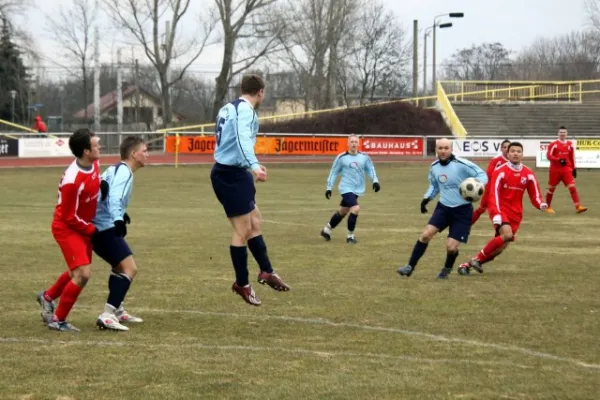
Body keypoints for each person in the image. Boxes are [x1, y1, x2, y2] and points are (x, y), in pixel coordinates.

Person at [210, 74, 290, 307]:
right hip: (230, 175)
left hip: (233, 172)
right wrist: (253, 165)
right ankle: (242, 284)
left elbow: (230, 142)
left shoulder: (228, 107)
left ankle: (266, 271)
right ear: (261, 92)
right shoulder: (245, 111)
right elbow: (242, 139)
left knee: (255, 221)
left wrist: (248, 165)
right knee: (242, 229)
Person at [36, 129, 101, 332]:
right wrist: (90, 229)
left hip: (81, 226)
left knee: (77, 271)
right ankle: (58, 320)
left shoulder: (95, 163)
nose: (99, 147)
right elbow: (68, 217)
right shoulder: (73, 181)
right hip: (67, 228)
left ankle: (47, 297)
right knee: (83, 274)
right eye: (95, 145)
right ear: (86, 151)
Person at [396, 138, 487, 279]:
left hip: (462, 211)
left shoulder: (462, 164)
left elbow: (482, 175)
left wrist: (475, 185)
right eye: (440, 148)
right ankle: (409, 267)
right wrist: (426, 198)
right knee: (426, 235)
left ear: (451, 149)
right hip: (443, 208)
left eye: (446, 148)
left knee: (451, 247)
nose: (443, 151)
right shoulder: (434, 167)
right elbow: (434, 185)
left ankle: (447, 269)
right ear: (436, 150)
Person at [458, 142, 548, 275]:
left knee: (499, 249)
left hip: (516, 214)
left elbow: (535, 195)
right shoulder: (500, 172)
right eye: (513, 151)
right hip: (500, 210)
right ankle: (476, 259)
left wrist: (540, 204)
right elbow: (493, 194)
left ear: (522, 154)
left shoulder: (528, 174)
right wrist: (496, 214)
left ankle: (467, 264)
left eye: (518, 151)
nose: (515, 153)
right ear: (508, 154)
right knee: (507, 235)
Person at [92, 136, 148, 331]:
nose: (146, 155)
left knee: (118, 267)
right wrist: (117, 219)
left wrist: (121, 214)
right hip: (104, 227)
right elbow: (114, 196)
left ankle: (117, 310)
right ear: (134, 154)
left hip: (97, 226)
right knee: (129, 268)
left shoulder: (116, 169)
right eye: (144, 151)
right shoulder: (125, 172)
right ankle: (107, 314)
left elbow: (103, 194)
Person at [320, 134, 380, 244]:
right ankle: (350, 236)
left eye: (355, 142)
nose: (354, 144)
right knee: (355, 208)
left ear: (358, 144)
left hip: (358, 189)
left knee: (343, 211)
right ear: (347, 144)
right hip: (345, 188)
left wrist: (375, 181)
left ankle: (326, 230)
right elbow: (333, 173)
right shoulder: (341, 158)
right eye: (351, 142)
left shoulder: (364, 157)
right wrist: (329, 188)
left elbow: (371, 169)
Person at [545, 126, 587, 215]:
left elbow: (572, 157)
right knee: (551, 189)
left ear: (566, 134)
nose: (562, 134)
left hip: (566, 169)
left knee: (572, 187)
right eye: (561, 132)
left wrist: (574, 168)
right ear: (558, 133)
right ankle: (548, 207)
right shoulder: (553, 144)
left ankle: (578, 206)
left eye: (564, 132)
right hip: (555, 170)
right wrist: (558, 160)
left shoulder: (570, 144)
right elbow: (549, 156)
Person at [471, 139, 511, 225]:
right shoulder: (497, 160)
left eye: (508, 147)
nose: (506, 149)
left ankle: (503, 229)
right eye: (504, 147)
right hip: (492, 188)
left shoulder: (513, 162)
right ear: (501, 149)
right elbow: (489, 174)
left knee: (505, 210)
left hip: (506, 190)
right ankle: (467, 224)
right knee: (482, 208)